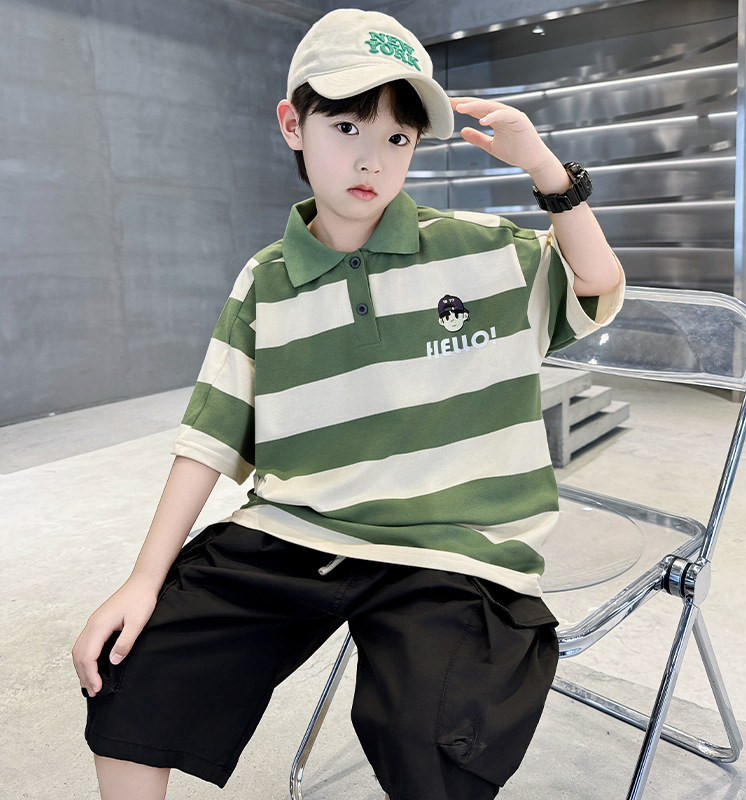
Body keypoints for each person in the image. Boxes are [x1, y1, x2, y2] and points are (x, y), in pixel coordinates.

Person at [72, 8, 624, 800]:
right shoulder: (266, 280)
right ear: (292, 125)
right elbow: (208, 438)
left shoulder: (481, 250)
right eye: (345, 126)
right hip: (298, 531)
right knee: (132, 668)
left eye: (398, 137)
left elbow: (597, 283)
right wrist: (141, 580)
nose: (372, 158)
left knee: (437, 737)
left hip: (454, 549)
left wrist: (544, 170)